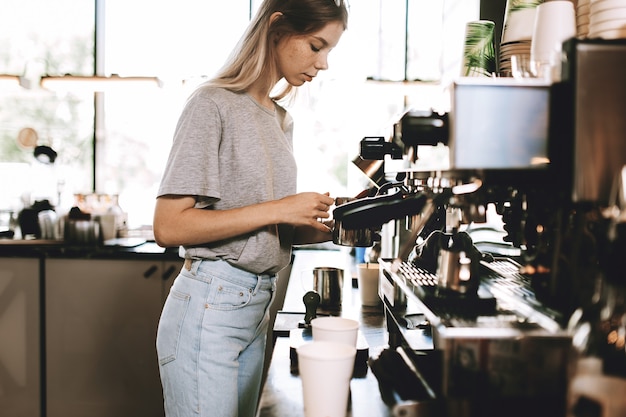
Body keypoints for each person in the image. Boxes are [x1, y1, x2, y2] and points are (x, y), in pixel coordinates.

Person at [153, 1, 349, 416]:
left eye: (328, 50)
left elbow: (269, 229)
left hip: (256, 306)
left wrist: (337, 224)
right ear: (277, 28)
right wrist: (281, 208)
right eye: (316, 46)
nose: (323, 63)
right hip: (211, 304)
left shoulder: (279, 119)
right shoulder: (212, 104)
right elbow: (169, 227)